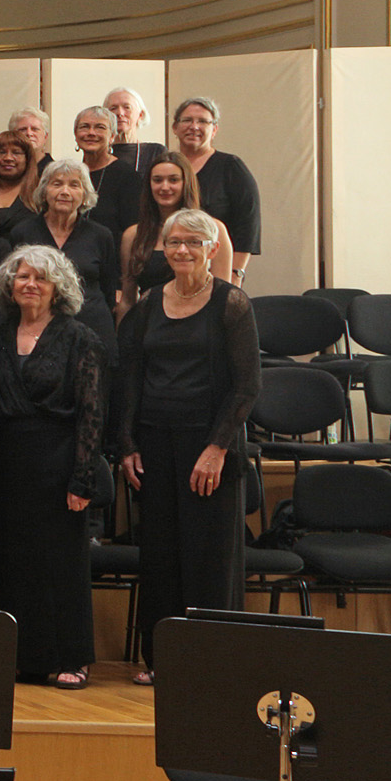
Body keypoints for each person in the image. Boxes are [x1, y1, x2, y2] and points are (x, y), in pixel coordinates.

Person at [111, 210, 261, 670]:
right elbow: (130, 379)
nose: (181, 250)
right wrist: (127, 444)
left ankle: (212, 661)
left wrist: (217, 449)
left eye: (193, 243)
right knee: (161, 555)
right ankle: (162, 660)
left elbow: (246, 385)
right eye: (174, 242)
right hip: (155, 444)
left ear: (212, 249)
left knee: (210, 556)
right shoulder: (148, 305)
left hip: (209, 445)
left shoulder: (232, 303)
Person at [0, 247, 104, 690]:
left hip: (58, 459)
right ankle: (24, 656)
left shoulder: (79, 337)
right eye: (22, 276)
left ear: (58, 288)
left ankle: (72, 655)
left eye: (41, 278)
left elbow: (92, 413)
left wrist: (83, 475)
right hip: (6, 461)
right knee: (12, 560)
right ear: (8, 285)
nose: (30, 284)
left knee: (61, 562)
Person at [8, 159, 120, 343]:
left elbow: (109, 291)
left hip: (93, 330)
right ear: (44, 191)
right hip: (38, 333)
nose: (65, 192)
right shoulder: (23, 232)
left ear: (84, 194)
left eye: (74, 185)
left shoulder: (101, 235)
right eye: (57, 184)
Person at [118, 154, 233, 308]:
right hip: (149, 324)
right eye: (157, 180)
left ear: (186, 183)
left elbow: (222, 296)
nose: (165, 187)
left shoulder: (215, 229)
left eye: (173, 180)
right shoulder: (133, 235)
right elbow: (127, 301)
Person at [170, 97, 259, 281]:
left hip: (217, 273)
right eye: (187, 120)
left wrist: (235, 274)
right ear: (175, 128)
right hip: (169, 270)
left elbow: (247, 226)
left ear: (214, 130)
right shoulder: (166, 166)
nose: (194, 126)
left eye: (202, 121)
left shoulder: (231, 167)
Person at [70, 104, 142, 240]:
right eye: (84, 127)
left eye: (100, 127)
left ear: (112, 136)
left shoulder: (128, 177)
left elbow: (132, 230)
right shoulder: (71, 174)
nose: (91, 133)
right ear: (76, 135)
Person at [0, 130, 40, 226]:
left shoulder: (39, 194)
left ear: (27, 159)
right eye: (1, 152)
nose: (8, 158)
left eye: (16, 153)